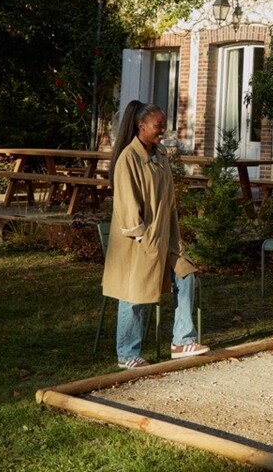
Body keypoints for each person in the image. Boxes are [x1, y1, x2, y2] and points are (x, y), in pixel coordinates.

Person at [102, 100, 209, 369]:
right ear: (142, 126)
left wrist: (174, 238)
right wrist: (144, 237)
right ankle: (128, 354)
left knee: (186, 275)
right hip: (136, 242)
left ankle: (182, 340)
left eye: (163, 125)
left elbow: (168, 201)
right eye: (158, 125)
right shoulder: (128, 158)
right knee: (134, 293)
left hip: (166, 238)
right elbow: (127, 204)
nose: (163, 130)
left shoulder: (159, 155)